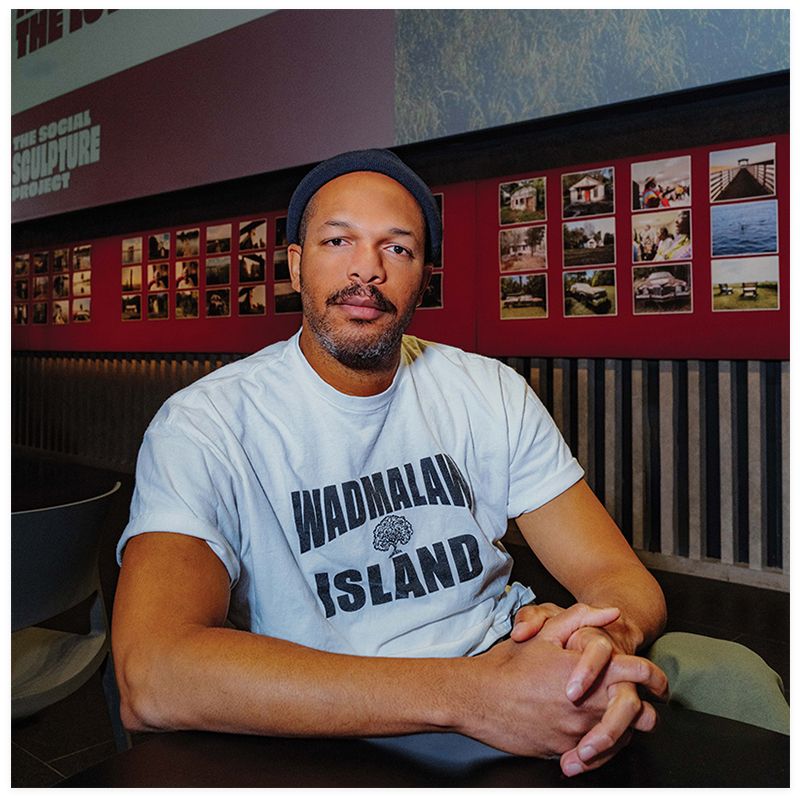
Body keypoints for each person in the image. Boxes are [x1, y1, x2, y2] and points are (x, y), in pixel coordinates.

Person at [111, 150, 782, 781]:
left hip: (513, 671)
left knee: (732, 683)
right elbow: (154, 674)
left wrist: (604, 638)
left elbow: (617, 576)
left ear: (424, 277)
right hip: (335, 723)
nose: (367, 270)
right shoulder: (207, 424)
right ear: (294, 264)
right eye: (338, 241)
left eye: (397, 248)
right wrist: (472, 697)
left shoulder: (486, 390)